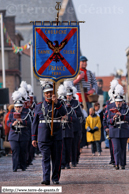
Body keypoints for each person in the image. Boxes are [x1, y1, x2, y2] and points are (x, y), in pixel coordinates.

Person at [32, 81, 66, 185]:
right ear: (44, 94)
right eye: (47, 93)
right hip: (43, 136)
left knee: (56, 159)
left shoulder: (59, 103)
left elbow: (64, 113)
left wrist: (57, 103)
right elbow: (34, 123)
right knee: (45, 158)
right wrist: (34, 137)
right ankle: (46, 178)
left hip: (56, 135)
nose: (49, 94)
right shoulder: (38, 106)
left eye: (50, 92)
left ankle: (55, 178)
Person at [107, 84, 129, 170]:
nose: (118, 103)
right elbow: (108, 120)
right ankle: (116, 164)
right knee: (116, 149)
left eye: (120, 101)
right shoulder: (110, 108)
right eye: (117, 101)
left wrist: (122, 116)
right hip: (114, 130)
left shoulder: (126, 108)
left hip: (123, 130)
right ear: (115, 101)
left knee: (123, 149)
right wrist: (113, 119)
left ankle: (122, 163)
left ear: (122, 101)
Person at [7, 94, 31, 172]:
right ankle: (15, 166)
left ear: (22, 107)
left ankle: (23, 165)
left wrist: (22, 121)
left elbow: (30, 122)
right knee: (15, 150)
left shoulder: (26, 112)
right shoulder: (11, 113)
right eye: (17, 107)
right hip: (14, 134)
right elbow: (8, 123)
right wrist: (12, 124)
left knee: (23, 151)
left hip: (23, 134)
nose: (18, 108)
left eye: (19, 107)